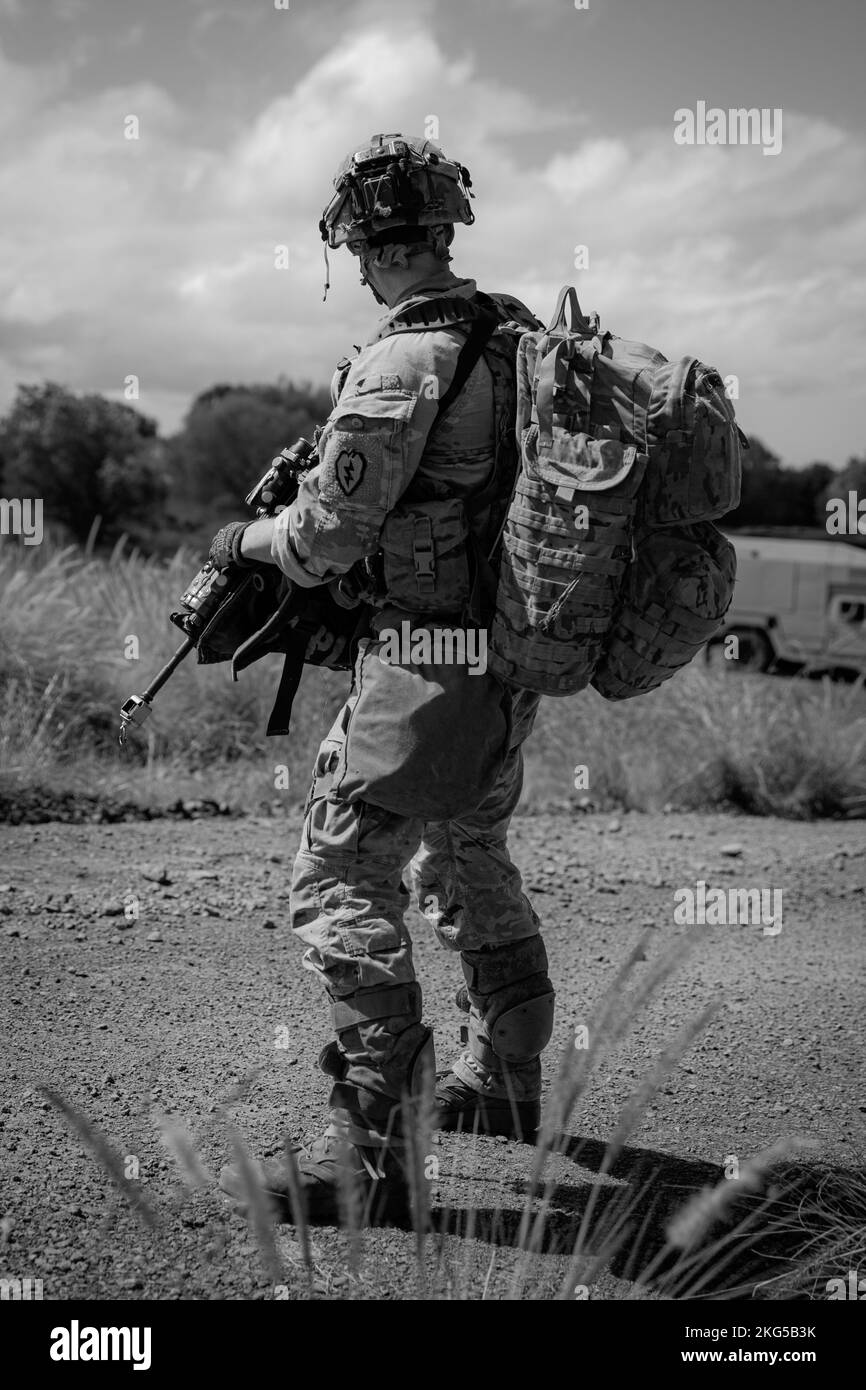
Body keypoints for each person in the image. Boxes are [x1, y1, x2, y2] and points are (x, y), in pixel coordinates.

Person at [217, 134, 555, 1223]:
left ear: (360, 243)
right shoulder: (521, 338)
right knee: (467, 847)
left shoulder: (401, 359)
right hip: (509, 647)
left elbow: (319, 542)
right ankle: (505, 1083)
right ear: (447, 226)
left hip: (422, 652)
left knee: (340, 870)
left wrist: (243, 541)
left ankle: (376, 1165)